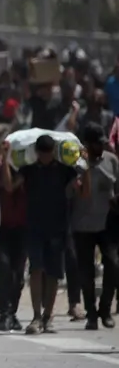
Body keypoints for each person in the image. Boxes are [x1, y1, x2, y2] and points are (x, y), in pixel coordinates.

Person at [0, 135, 79, 334]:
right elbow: (9, 187)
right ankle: (36, 316)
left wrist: (82, 165)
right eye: (41, 153)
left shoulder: (65, 171)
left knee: (53, 273)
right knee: (36, 270)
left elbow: (79, 191)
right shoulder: (29, 170)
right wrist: (4, 158)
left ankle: (47, 316)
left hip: (58, 228)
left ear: (53, 152)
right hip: (34, 227)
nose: (44, 156)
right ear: (37, 152)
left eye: (47, 153)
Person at [71, 124, 119, 330]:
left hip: (108, 223)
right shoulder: (76, 164)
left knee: (113, 265)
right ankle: (91, 314)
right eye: (97, 144)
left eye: (102, 143)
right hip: (82, 225)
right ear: (87, 144)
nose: (101, 147)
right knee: (86, 272)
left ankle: (105, 309)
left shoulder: (111, 161)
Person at [0, 146, 28, 331]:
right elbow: (7, 186)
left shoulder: (28, 169)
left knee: (18, 274)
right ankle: (4, 313)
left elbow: (14, 186)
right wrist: (5, 160)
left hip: (22, 228)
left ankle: (13, 313)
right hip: (1, 228)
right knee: (3, 269)